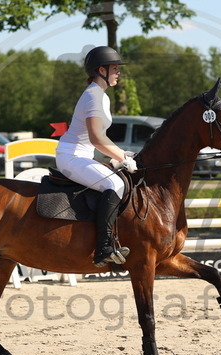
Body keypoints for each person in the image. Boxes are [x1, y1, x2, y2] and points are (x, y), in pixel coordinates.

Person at [56, 46, 138, 267]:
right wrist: (123, 158)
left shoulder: (100, 95)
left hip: (82, 155)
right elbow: (96, 138)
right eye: (115, 68)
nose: (118, 72)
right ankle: (103, 248)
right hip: (71, 157)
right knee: (115, 184)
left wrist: (121, 154)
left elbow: (100, 137)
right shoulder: (93, 95)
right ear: (101, 70)